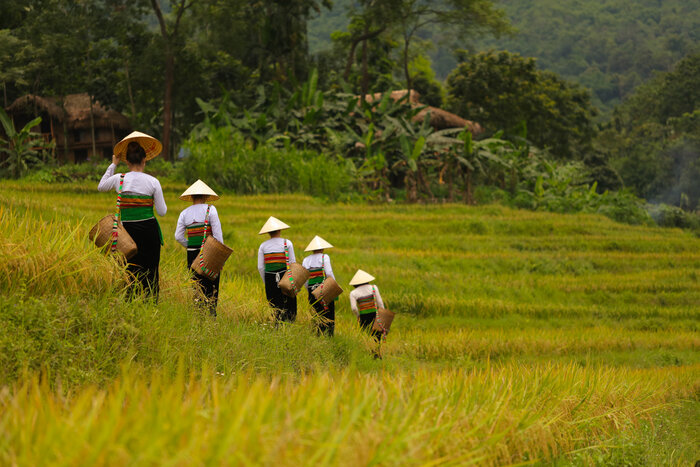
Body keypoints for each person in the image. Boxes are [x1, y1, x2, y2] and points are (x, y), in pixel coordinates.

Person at [98, 131, 166, 300]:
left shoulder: (119, 178)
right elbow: (162, 211)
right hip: (149, 232)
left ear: (126, 161)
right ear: (145, 160)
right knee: (151, 272)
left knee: (129, 270)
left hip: (127, 233)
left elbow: (101, 186)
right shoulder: (153, 182)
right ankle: (151, 305)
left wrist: (113, 164)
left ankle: (130, 302)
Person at [175, 179, 223, 316]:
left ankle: (198, 316)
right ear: (205, 196)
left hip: (191, 254)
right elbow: (218, 236)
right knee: (212, 286)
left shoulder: (184, 213)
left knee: (196, 286)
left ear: (191, 197)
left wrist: (190, 246)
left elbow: (178, 236)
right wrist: (220, 258)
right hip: (210, 253)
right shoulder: (211, 209)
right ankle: (211, 316)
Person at [257, 216, 297, 323]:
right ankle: (289, 325)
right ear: (280, 230)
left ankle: (277, 325)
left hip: (270, 277)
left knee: (275, 305)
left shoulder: (263, 246)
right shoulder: (287, 243)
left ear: (268, 232)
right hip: (285, 276)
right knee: (289, 304)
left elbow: (260, 267)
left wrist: (266, 281)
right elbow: (292, 263)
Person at [302, 235, 336, 336]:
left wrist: (309, 289)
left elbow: (304, 278)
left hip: (311, 291)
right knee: (329, 314)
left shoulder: (306, 260)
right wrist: (333, 286)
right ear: (323, 248)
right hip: (324, 290)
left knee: (316, 314)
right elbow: (329, 272)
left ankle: (317, 335)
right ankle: (329, 337)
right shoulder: (324, 257)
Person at [349, 269, 384, 357]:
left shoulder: (353, 293)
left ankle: (369, 353)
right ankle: (377, 353)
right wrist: (382, 314)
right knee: (377, 336)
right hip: (375, 315)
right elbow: (380, 303)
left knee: (367, 336)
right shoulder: (373, 287)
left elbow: (354, 308)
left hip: (363, 317)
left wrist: (358, 316)